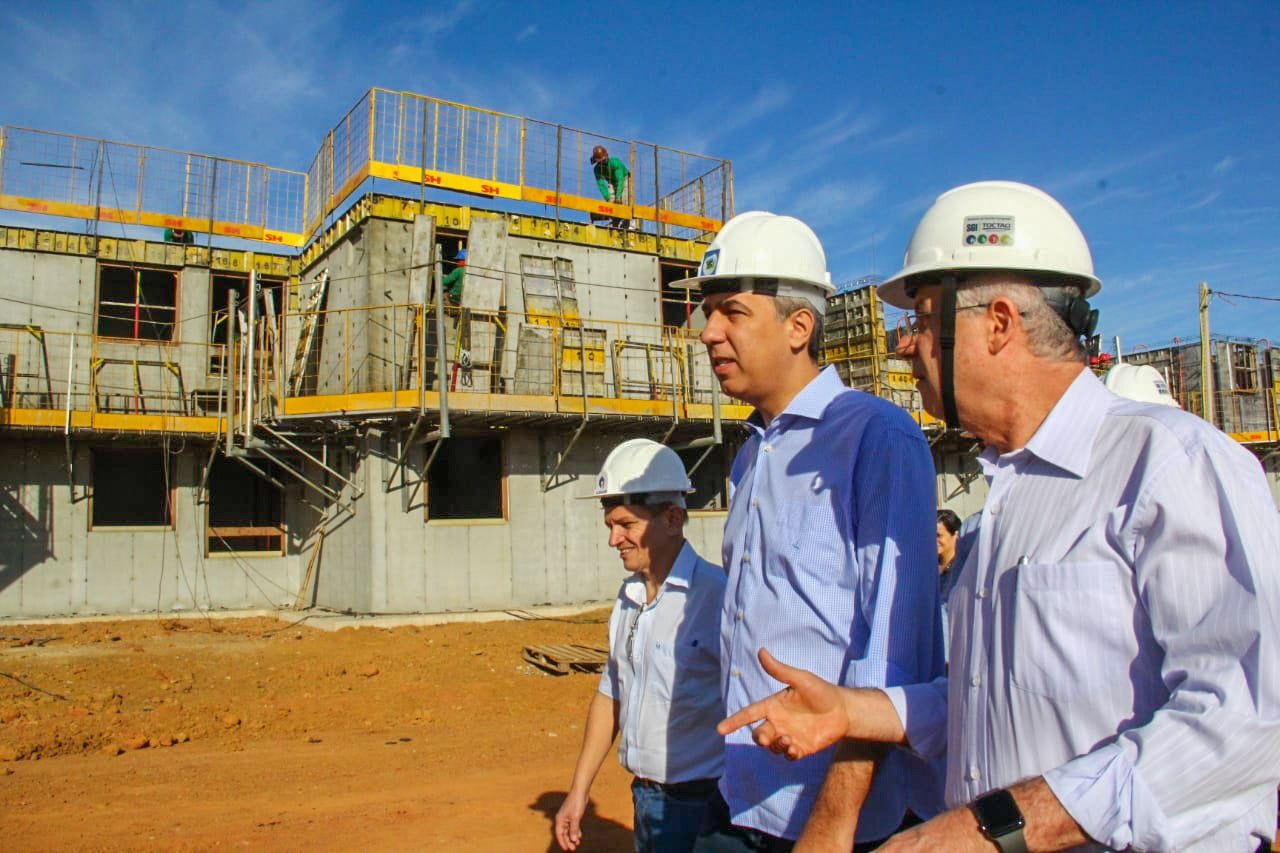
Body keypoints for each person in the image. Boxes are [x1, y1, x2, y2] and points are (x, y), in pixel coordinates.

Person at [719, 181, 1280, 852]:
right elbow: (984, 704)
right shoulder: (1004, 511)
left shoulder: (1170, 464)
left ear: (1000, 322)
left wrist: (992, 829)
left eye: (923, 320)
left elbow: (1245, 722)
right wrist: (856, 709)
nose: (906, 345)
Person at [673, 211, 943, 850]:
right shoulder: (752, 452)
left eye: (732, 312)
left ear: (799, 327)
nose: (708, 333)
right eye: (707, 313)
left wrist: (835, 821)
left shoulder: (876, 437)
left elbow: (894, 658)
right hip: (741, 789)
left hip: (831, 816)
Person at [555, 438, 726, 853]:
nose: (614, 540)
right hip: (647, 799)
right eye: (610, 526)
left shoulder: (718, 597)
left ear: (671, 518)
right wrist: (579, 791)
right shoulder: (628, 597)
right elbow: (611, 691)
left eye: (626, 525)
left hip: (707, 807)